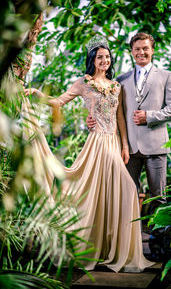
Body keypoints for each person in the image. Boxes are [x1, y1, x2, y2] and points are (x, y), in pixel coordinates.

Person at [24, 34, 154, 272]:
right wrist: (36, 93)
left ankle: (119, 251)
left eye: (107, 57)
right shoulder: (83, 83)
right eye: (100, 57)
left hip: (113, 145)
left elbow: (120, 119)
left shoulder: (117, 86)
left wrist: (124, 146)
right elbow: (58, 101)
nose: (104, 60)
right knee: (91, 193)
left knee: (126, 189)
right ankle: (90, 247)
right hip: (95, 146)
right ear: (92, 60)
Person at [87, 32, 171, 213]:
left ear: (152, 50)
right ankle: (129, 239)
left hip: (156, 147)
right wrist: (93, 118)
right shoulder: (120, 80)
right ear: (131, 52)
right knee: (127, 195)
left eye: (145, 48)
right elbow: (111, 110)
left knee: (159, 197)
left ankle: (156, 239)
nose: (141, 52)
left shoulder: (166, 76)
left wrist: (150, 116)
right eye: (137, 49)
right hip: (128, 149)